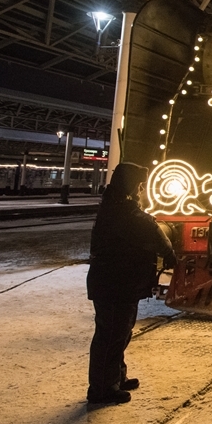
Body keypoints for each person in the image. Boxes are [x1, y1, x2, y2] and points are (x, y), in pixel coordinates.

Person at [86, 162, 176, 405]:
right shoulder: (123, 212)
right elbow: (153, 231)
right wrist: (168, 252)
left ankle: (115, 378)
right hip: (114, 282)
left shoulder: (116, 206)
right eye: (139, 185)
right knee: (112, 334)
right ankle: (102, 389)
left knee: (119, 333)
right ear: (130, 186)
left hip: (119, 282)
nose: (141, 191)